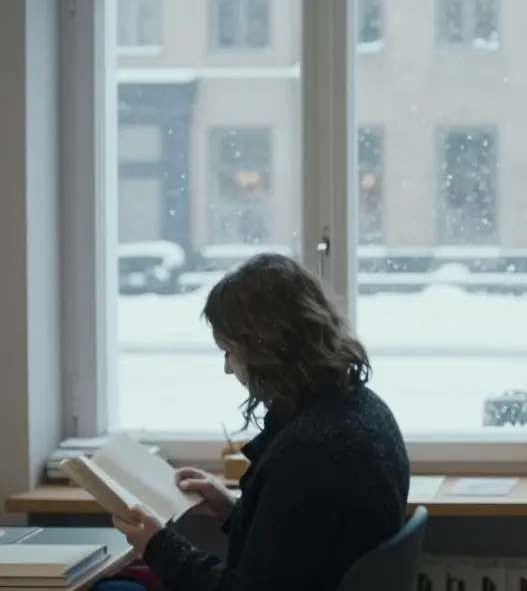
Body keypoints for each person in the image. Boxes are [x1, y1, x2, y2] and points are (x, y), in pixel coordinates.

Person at [111, 253, 411, 590]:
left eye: (228, 351)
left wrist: (157, 545)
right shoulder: (364, 408)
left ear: (263, 349)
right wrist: (233, 510)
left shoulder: (307, 450)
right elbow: (304, 542)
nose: (227, 368)